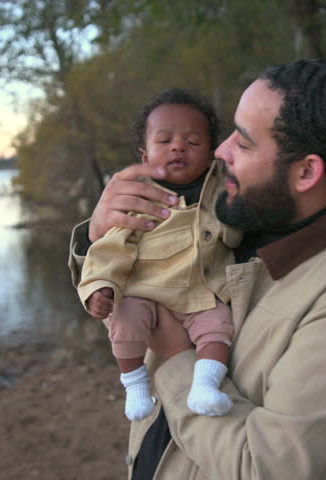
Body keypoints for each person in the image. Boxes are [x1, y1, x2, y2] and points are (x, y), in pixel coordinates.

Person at [68, 59, 326, 479]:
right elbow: (134, 296)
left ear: (306, 171)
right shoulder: (242, 216)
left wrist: (177, 359)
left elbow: (268, 469)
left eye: (244, 143)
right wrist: (98, 237)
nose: (220, 150)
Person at [78, 88, 241, 422]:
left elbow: (234, 235)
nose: (178, 147)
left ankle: (205, 385)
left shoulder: (219, 195)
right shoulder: (139, 200)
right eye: (165, 141)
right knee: (124, 317)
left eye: (192, 142)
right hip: (146, 292)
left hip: (200, 293)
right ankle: (136, 385)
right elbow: (110, 249)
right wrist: (98, 286)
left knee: (218, 326)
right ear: (145, 156)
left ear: (211, 155)